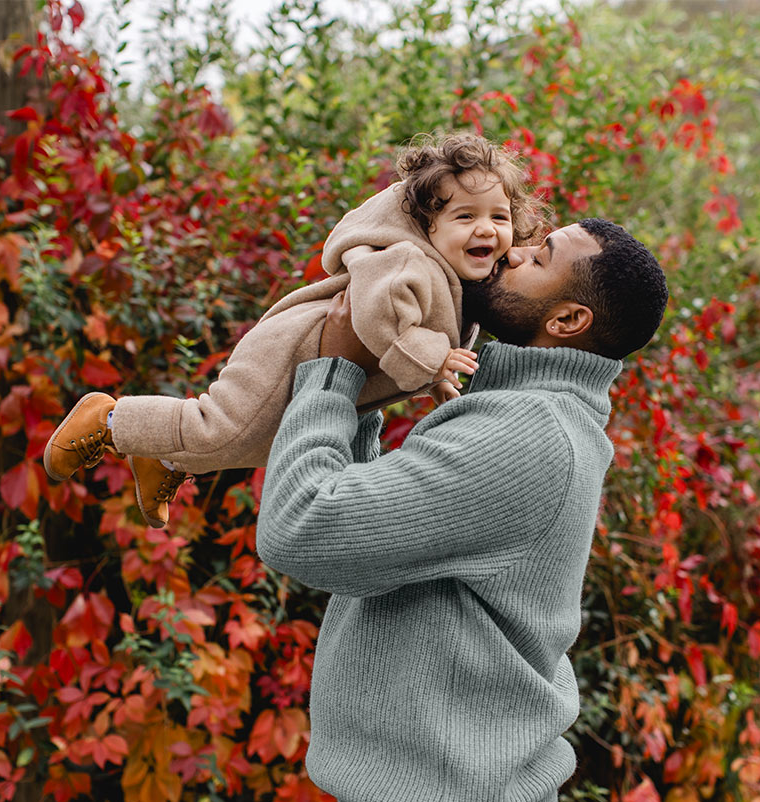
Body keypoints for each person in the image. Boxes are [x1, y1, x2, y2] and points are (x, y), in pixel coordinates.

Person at [256, 218, 669, 802]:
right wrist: (367, 385)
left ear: (567, 320)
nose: (512, 250)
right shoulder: (529, 414)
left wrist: (331, 373)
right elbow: (368, 547)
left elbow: (302, 527)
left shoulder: (525, 433)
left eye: (539, 257)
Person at [41, 133, 544, 527]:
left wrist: (436, 378)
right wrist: (431, 359)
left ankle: (168, 462)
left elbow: (418, 328)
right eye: (465, 216)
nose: (487, 229)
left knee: (263, 443)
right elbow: (381, 316)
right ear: (428, 225)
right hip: (292, 350)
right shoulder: (406, 259)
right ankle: (109, 419)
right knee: (220, 428)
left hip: (324, 367)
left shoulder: (454, 281)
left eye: (499, 217)